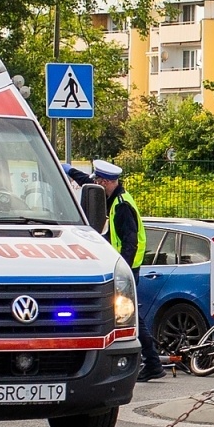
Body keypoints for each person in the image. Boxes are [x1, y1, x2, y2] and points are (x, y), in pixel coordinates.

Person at [65, 158, 165, 382]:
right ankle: (150, 362)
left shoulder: (121, 206)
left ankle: (152, 363)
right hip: (122, 269)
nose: (96, 184)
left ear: (107, 182)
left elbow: (131, 242)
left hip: (127, 270)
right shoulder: (112, 195)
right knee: (128, 316)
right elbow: (87, 182)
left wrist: (123, 271)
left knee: (130, 317)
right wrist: (69, 171)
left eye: (99, 181)